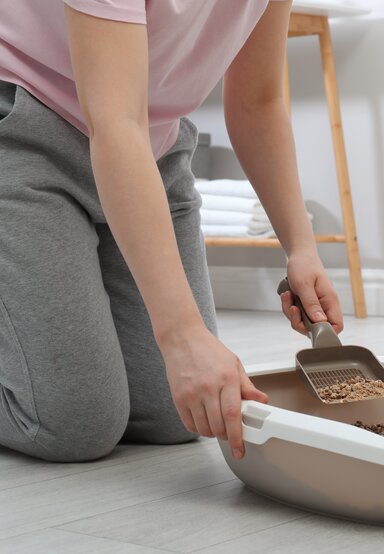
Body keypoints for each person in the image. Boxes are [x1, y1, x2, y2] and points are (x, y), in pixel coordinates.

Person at [0, 0, 343, 463]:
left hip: (153, 149)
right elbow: (114, 122)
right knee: (71, 426)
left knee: (175, 416)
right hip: (24, 131)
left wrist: (301, 248)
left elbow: (257, 101)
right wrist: (180, 334)